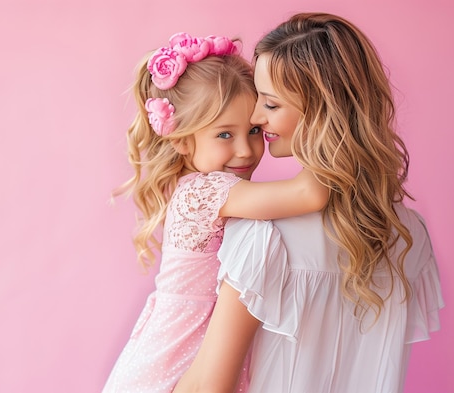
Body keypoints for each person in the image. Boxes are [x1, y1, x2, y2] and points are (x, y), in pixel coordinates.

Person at [174, 12, 445, 393]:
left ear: (321, 111)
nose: (255, 116)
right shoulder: (410, 235)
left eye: (270, 104)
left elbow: (207, 387)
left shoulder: (264, 238)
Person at [103, 32, 328, 393]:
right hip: (173, 362)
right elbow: (310, 193)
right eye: (225, 135)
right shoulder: (207, 191)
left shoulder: (209, 188)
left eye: (254, 130)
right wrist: (329, 121)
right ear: (180, 138)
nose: (245, 150)